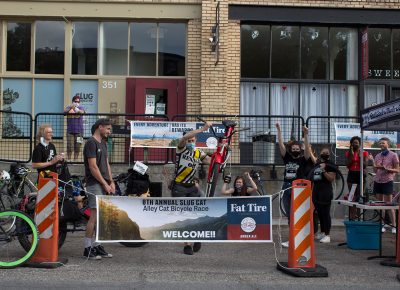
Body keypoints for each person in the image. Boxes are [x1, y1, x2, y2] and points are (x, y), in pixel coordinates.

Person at [171, 122, 212, 255]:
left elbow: (210, 161)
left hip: (192, 187)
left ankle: (196, 237)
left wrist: (222, 151)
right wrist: (203, 129)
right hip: (179, 186)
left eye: (193, 141)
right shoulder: (181, 148)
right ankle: (187, 245)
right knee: (184, 216)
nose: (191, 142)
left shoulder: (198, 152)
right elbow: (184, 139)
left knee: (195, 213)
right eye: (189, 140)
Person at [83, 118, 114, 260]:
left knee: (102, 217)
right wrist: (104, 184)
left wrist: (111, 181)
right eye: (107, 129)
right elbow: (93, 167)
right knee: (94, 216)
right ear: (100, 127)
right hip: (94, 184)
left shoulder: (103, 143)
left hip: (104, 183)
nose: (109, 131)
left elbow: (106, 164)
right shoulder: (91, 143)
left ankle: (97, 245)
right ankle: (87, 248)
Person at [276, 123, 310, 248]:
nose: (295, 150)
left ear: (300, 150)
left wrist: (306, 134)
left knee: (298, 214)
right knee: (290, 215)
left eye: (297, 148)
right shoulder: (287, 158)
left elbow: (307, 150)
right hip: (286, 187)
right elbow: (280, 144)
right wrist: (279, 130)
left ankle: (300, 239)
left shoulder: (303, 159)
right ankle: (293, 239)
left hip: (299, 188)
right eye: (293, 148)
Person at [369, 137, 399, 234]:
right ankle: (382, 225)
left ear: (388, 144)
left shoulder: (393, 155)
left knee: (389, 204)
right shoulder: (377, 155)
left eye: (383, 143)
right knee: (380, 204)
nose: (381, 144)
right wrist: (372, 161)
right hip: (378, 181)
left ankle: (394, 226)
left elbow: (397, 170)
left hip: (387, 181)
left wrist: (387, 169)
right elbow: (375, 170)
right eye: (380, 143)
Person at [309, 146, 337, 243]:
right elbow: (312, 157)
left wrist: (324, 170)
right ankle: (322, 232)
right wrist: (308, 148)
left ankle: (327, 235)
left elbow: (331, 178)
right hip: (316, 191)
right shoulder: (317, 163)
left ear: (329, 154)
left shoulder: (331, 164)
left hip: (326, 191)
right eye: (323, 152)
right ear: (320, 153)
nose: (324, 154)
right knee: (319, 213)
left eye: (326, 153)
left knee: (325, 213)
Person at [345, 136, 369, 219]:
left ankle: (359, 216)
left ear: (360, 144)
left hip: (360, 174)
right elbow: (347, 165)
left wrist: (360, 156)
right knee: (352, 196)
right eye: (353, 143)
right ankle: (352, 216)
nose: (355, 144)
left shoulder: (364, 153)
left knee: (359, 196)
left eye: (357, 143)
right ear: (351, 144)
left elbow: (365, 165)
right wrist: (351, 155)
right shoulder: (349, 153)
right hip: (351, 174)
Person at [64, 95, 85, 161]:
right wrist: (71, 108)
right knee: (69, 146)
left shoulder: (81, 107)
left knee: (78, 146)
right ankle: (69, 160)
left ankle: (75, 160)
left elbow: (83, 112)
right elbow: (64, 111)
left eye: (78, 101)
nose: (76, 102)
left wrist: (77, 110)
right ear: (72, 101)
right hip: (70, 131)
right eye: (75, 101)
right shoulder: (69, 107)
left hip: (80, 131)